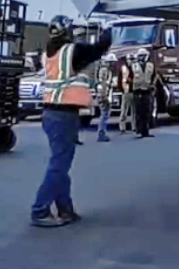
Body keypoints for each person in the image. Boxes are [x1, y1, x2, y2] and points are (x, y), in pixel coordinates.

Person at [30, 15, 112, 228]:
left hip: (51, 114)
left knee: (61, 164)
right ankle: (40, 210)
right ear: (67, 31)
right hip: (63, 115)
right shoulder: (71, 51)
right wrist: (108, 29)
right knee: (58, 165)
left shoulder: (48, 53)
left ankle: (65, 209)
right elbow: (99, 49)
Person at [131, 48, 157, 139]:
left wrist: (153, 85)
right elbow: (129, 77)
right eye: (140, 56)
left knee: (147, 111)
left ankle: (146, 131)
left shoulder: (151, 65)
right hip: (137, 91)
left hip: (147, 90)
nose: (142, 57)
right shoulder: (133, 66)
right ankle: (139, 129)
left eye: (143, 56)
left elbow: (154, 76)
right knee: (138, 111)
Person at [93, 53, 116, 143]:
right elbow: (103, 84)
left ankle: (102, 132)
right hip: (103, 94)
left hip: (103, 93)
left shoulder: (104, 70)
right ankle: (101, 133)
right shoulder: (104, 70)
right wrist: (105, 96)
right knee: (104, 114)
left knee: (105, 114)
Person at [116, 56, 135, 134]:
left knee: (134, 111)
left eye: (132, 59)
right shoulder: (124, 69)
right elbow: (119, 80)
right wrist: (121, 90)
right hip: (126, 91)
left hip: (134, 91)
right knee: (124, 110)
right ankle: (122, 127)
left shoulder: (135, 68)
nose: (130, 61)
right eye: (129, 60)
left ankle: (134, 126)